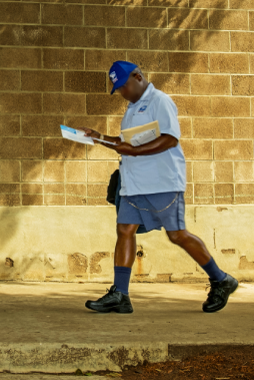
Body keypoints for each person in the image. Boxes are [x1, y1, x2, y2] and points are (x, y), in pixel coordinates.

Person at [80, 60, 238, 314]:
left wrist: (134, 150)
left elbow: (169, 138)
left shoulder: (160, 101)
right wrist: (98, 137)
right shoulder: (132, 108)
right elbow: (126, 142)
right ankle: (120, 293)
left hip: (162, 182)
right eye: (118, 89)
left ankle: (221, 280)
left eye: (124, 86)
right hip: (133, 183)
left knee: (177, 235)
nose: (122, 92)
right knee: (124, 230)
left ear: (138, 76)